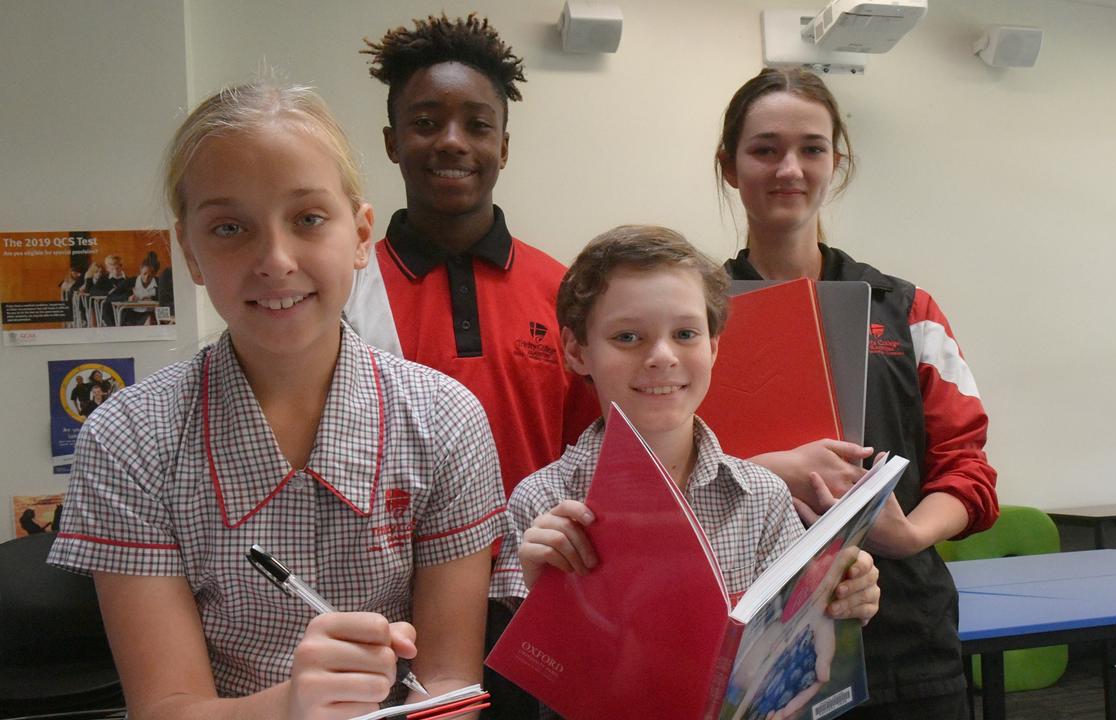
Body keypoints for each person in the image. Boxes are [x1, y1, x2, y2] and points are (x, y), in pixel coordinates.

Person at [48, 81, 507, 720]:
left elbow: (451, 690)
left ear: (361, 235)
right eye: (229, 227)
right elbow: (167, 707)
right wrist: (293, 705)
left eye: (308, 219)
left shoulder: (445, 421)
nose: (275, 259)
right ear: (192, 254)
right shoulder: (127, 438)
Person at [492, 226, 881, 716]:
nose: (661, 357)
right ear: (576, 350)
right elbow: (529, 680)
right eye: (627, 336)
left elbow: (789, 653)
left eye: (685, 334)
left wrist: (840, 601)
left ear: (715, 346)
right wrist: (543, 591)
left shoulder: (762, 497)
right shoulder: (540, 501)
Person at [714, 67, 999, 718]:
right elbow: (670, 477)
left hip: (906, 644)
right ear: (729, 166)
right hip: (755, 651)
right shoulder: (694, 319)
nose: (790, 168)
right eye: (765, 149)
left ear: (835, 164)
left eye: (811, 149)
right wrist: (764, 473)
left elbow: (969, 470)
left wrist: (908, 534)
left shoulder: (907, 309)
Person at [344, 15, 599, 717]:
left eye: (476, 125)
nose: (451, 141)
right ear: (393, 141)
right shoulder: (345, 289)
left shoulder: (567, 288)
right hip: (393, 607)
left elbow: (597, 453)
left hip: (543, 598)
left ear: (503, 147)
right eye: (426, 122)